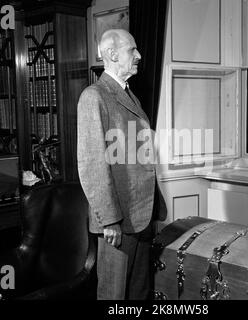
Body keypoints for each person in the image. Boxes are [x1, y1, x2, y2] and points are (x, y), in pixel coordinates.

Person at [77, 29, 166, 300]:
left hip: (140, 215)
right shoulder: (95, 96)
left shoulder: (129, 95)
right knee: (113, 294)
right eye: (132, 50)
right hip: (118, 221)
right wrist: (110, 220)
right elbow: (92, 165)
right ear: (113, 54)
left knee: (138, 293)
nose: (139, 55)